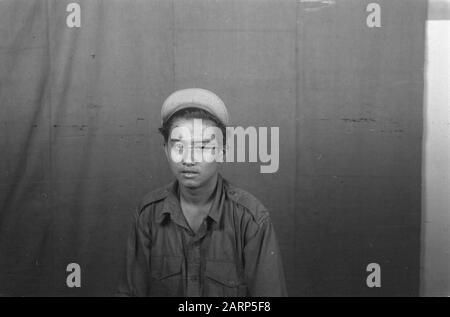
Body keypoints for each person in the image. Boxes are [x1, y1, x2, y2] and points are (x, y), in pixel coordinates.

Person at [117, 88, 287, 296]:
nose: (188, 159)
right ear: (165, 150)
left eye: (202, 147)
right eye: (179, 146)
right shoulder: (147, 215)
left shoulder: (250, 219)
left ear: (222, 152)